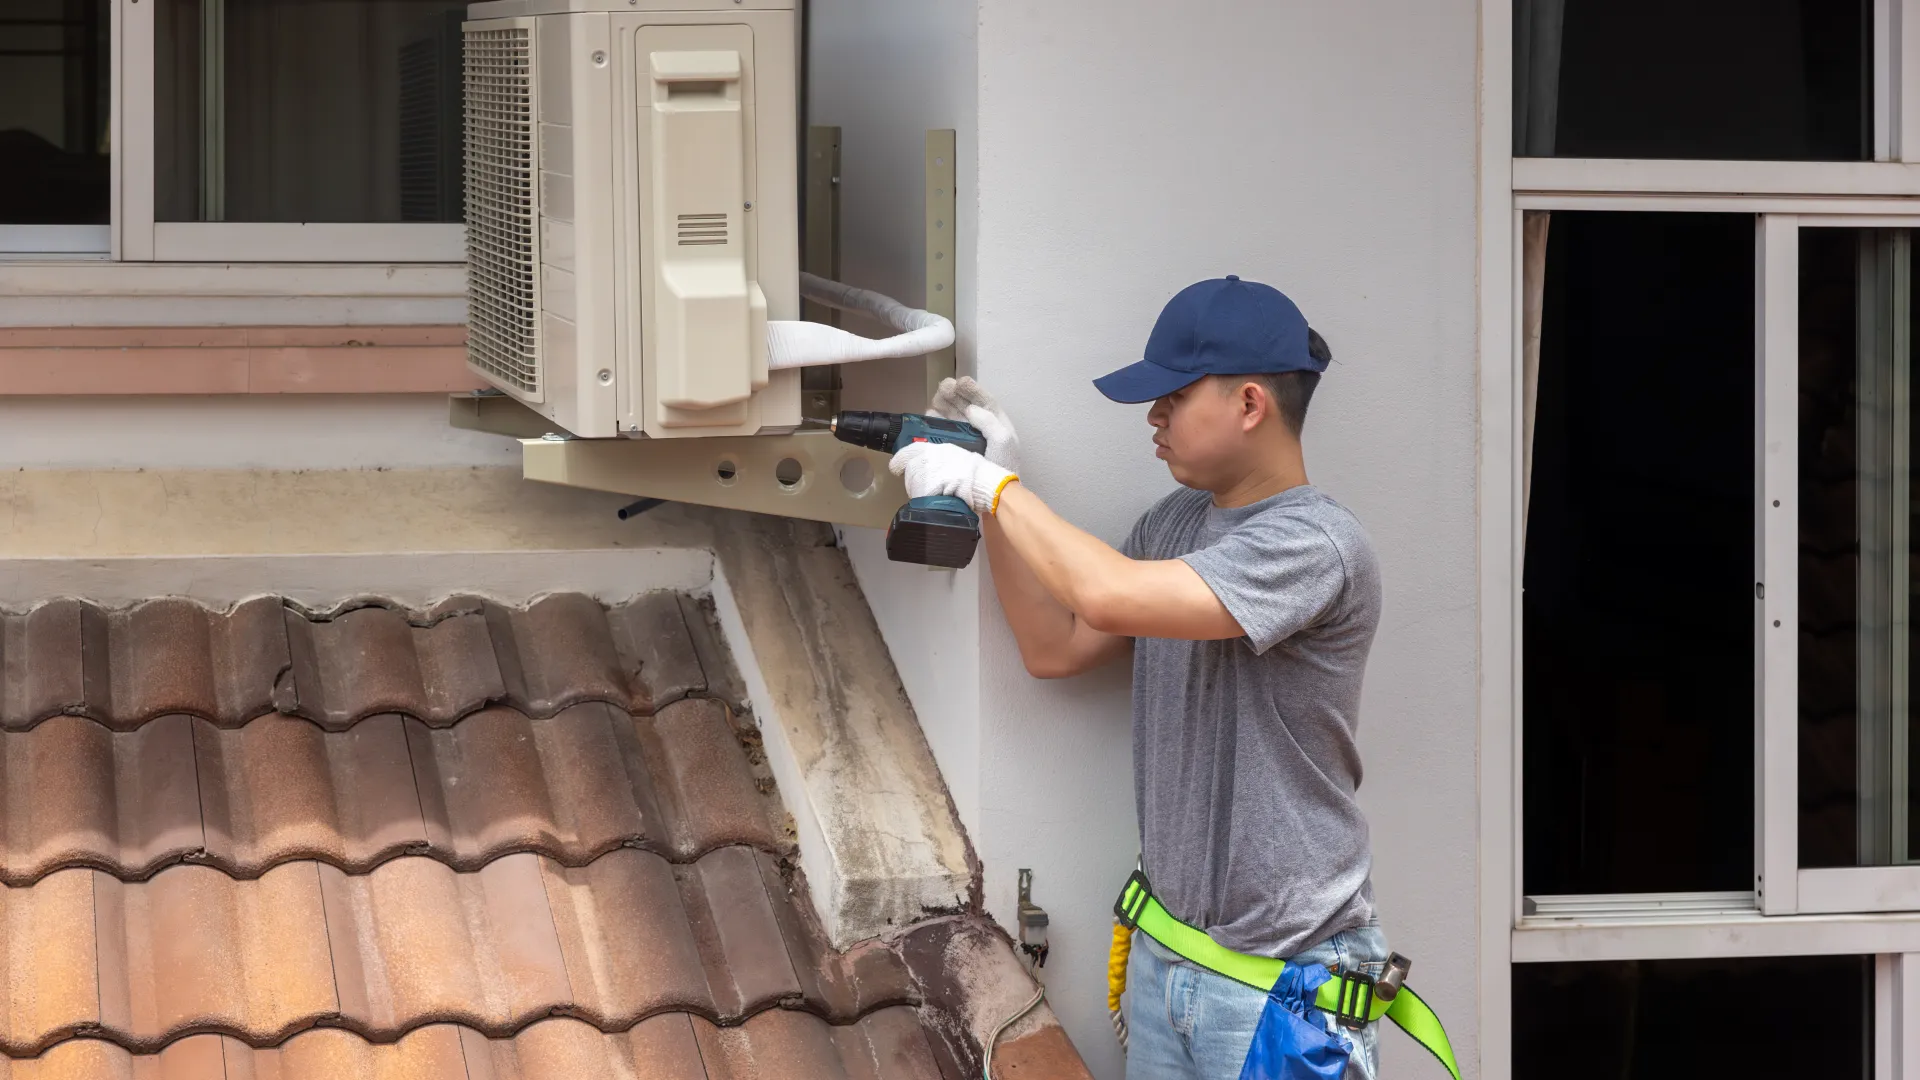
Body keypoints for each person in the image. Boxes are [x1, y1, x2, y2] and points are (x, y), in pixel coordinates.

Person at [890, 275, 1391, 1080]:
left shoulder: (1316, 546)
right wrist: (994, 502)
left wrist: (993, 485)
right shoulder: (1173, 524)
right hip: (1168, 956)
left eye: (1173, 395)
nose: (1153, 417)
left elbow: (1109, 592)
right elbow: (1054, 646)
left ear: (1251, 403)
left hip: (1279, 985)